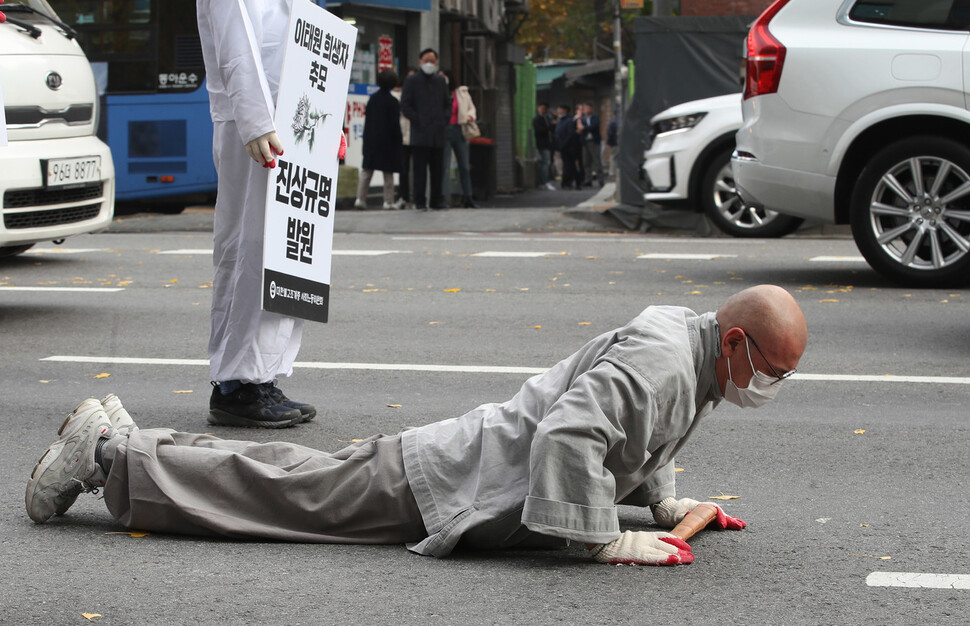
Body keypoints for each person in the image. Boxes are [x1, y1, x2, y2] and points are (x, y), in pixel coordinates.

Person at [26, 285, 807, 565]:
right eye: (772, 369)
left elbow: (635, 430)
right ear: (737, 343)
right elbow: (576, 433)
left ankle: (128, 441)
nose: (770, 385)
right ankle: (105, 453)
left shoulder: (695, 346)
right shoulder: (674, 361)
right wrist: (604, 538)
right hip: (451, 477)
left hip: (457, 462)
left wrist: (661, 503)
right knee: (279, 495)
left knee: (290, 478)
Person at [196, 0, 317, 428]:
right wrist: (255, 120)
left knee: (285, 254)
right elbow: (237, 46)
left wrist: (324, 119)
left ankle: (262, 377)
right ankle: (235, 385)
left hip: (294, 123)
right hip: (259, 126)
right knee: (249, 249)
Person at [400, 48, 450, 211]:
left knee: (437, 171)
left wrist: (443, 120)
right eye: (426, 60)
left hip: (437, 134)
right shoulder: (412, 81)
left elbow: (447, 103)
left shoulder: (440, 81)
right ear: (420, 62)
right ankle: (420, 201)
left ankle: (436, 200)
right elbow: (405, 105)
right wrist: (418, 120)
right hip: (420, 133)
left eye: (433, 61)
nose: (430, 64)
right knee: (419, 171)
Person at [354, 70, 403, 211]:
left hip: (371, 140)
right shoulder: (393, 102)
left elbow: (368, 121)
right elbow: (395, 125)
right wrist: (398, 141)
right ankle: (388, 201)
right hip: (388, 143)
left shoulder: (372, 99)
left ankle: (360, 199)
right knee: (388, 174)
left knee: (367, 171)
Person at [440, 69, 477, 209]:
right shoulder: (436, 93)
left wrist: (470, 117)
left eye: (444, 76)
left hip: (459, 129)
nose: (443, 79)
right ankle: (443, 197)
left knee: (464, 166)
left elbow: (471, 108)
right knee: (444, 166)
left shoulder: (461, 93)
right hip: (444, 129)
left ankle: (468, 197)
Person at [392, 68, 416, 210]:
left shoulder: (420, 96)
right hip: (402, 136)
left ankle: (416, 197)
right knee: (403, 169)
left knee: (418, 169)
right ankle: (403, 197)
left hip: (417, 136)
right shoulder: (397, 95)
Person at [555, 105, 582, 190]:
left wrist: (564, 144)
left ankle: (572, 182)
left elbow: (570, 134)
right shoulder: (560, 121)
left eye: (560, 110)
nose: (559, 111)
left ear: (565, 110)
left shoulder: (569, 121)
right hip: (563, 146)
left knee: (570, 165)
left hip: (569, 147)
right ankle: (567, 182)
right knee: (567, 165)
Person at [532, 103, 557, 191]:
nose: (543, 110)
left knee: (547, 162)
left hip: (548, 143)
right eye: (542, 108)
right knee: (544, 163)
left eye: (545, 108)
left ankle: (546, 180)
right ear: (538, 108)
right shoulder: (537, 119)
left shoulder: (547, 118)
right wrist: (550, 126)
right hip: (542, 143)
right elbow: (539, 130)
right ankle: (544, 182)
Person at [579, 103, 605, 187]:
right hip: (585, 141)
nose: (586, 110)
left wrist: (584, 128)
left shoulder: (595, 117)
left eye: (588, 108)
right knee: (586, 161)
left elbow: (594, 126)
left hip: (594, 141)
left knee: (597, 160)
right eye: (585, 108)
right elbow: (579, 128)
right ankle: (588, 179)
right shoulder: (582, 118)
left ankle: (600, 179)